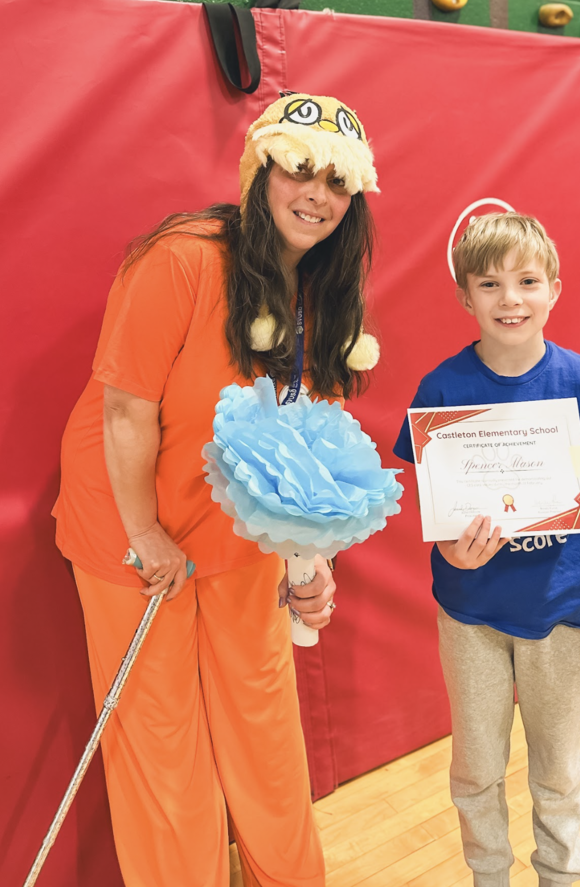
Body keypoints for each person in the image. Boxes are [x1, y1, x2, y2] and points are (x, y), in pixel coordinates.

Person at [53, 93, 380, 887]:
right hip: (134, 530)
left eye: (336, 183)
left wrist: (310, 558)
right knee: (164, 746)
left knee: (263, 729)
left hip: (239, 533)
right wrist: (145, 535)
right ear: (259, 174)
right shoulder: (184, 257)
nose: (316, 195)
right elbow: (127, 410)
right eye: (298, 170)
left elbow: (301, 447)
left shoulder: (322, 292)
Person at [393, 212, 580, 887]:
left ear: (553, 289)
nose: (509, 299)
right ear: (465, 297)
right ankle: (488, 877)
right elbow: (439, 513)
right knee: (476, 771)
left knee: (557, 774)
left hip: (564, 610)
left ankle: (560, 879)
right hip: (471, 613)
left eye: (525, 281)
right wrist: (454, 559)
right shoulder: (441, 391)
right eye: (489, 284)